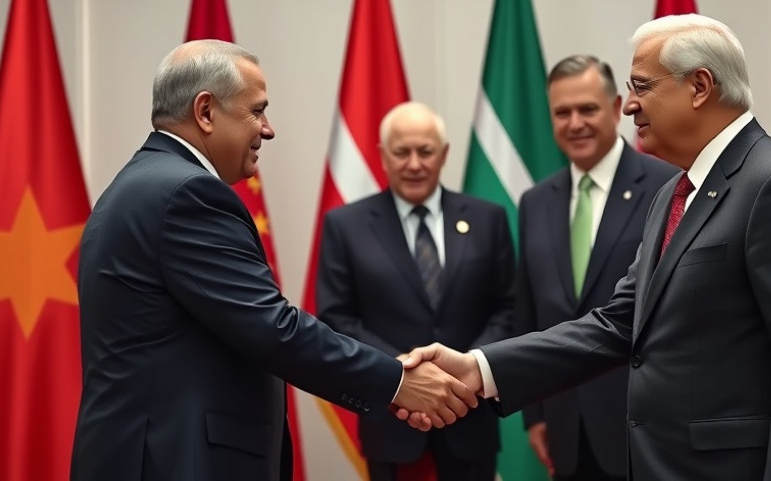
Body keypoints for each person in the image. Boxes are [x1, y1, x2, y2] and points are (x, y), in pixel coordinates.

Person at [402, 14, 771, 480]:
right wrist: (478, 368)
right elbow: (619, 322)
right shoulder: (674, 194)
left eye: (642, 86)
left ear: (700, 86)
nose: (630, 106)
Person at [71, 40, 477, 481]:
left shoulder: (142, 183)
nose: (268, 129)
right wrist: (396, 382)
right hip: (176, 460)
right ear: (206, 112)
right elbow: (273, 327)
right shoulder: (186, 194)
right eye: (256, 110)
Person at [318, 101, 515, 481]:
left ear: (443, 155)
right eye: (402, 152)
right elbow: (336, 317)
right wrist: (403, 374)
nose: (414, 163)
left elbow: (508, 308)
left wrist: (466, 370)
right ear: (382, 157)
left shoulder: (487, 219)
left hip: (469, 415)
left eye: (425, 151)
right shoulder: (346, 225)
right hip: (391, 420)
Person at [516, 55, 677, 481]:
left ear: (614, 107)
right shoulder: (535, 202)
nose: (575, 123)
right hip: (565, 427)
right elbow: (529, 311)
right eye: (561, 112)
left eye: (587, 109)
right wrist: (534, 413)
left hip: (647, 424)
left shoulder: (668, 185)